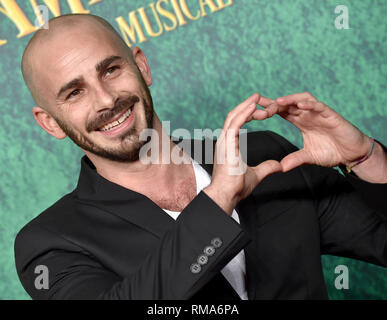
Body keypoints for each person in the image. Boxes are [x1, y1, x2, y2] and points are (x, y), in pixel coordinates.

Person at [15, 14, 387, 300]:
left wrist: (365, 157)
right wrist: (219, 197)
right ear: (50, 122)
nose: (106, 100)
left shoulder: (264, 155)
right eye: (75, 92)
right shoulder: (50, 242)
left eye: (111, 70)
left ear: (141, 66)